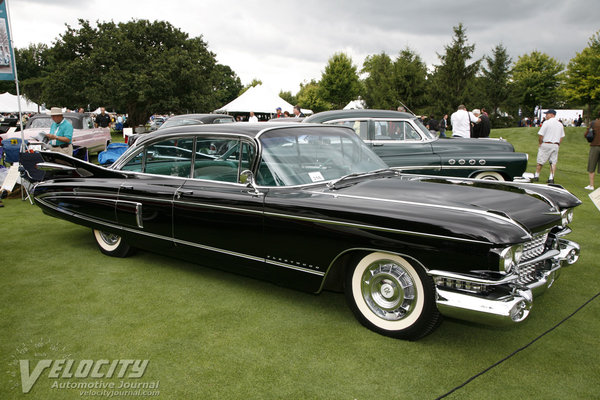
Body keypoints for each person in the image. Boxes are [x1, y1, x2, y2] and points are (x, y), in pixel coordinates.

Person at [533, 109, 565, 183]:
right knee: (553, 162)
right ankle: (551, 177)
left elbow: (541, 134)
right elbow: (562, 136)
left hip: (546, 143)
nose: (546, 116)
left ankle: (536, 175)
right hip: (555, 145)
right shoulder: (560, 124)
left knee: (540, 160)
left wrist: (540, 143)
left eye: (547, 114)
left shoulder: (546, 123)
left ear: (552, 115)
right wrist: (558, 144)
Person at [585, 111, 600, 190]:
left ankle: (591, 185)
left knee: (592, 166)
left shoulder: (594, 123)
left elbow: (586, 134)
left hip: (595, 146)